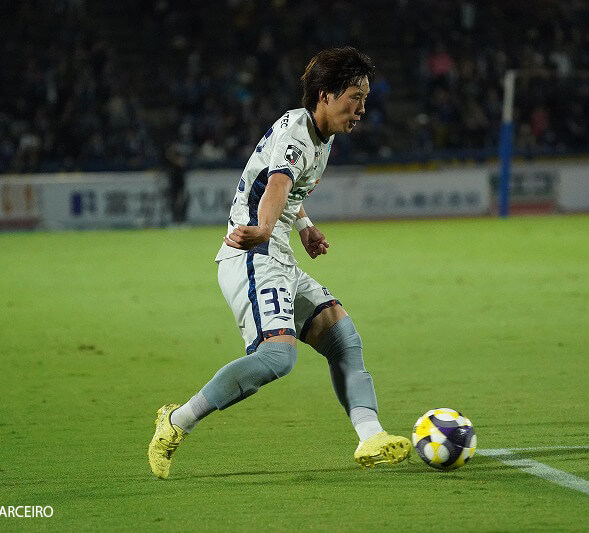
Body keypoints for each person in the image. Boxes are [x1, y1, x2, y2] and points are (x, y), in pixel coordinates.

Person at [148, 46, 411, 479]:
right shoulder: (297, 135)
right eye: (355, 97)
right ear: (325, 95)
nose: (362, 109)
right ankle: (177, 421)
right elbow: (276, 185)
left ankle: (371, 437)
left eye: (365, 99)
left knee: (342, 337)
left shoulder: (318, 133)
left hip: (277, 254)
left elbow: (291, 189)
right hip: (252, 255)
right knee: (276, 358)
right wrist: (266, 228)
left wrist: (304, 225)